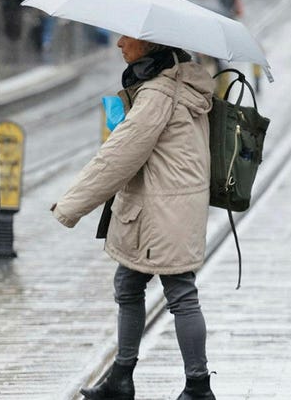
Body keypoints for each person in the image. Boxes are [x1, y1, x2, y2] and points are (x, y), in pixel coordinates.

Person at [51, 36, 217, 400]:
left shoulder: (158, 93)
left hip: (164, 210)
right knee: (129, 285)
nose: (119, 43)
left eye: (128, 37)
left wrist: (71, 205)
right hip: (161, 208)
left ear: (151, 44)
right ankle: (121, 378)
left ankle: (198, 386)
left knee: (180, 293)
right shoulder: (177, 83)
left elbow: (119, 156)